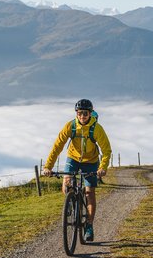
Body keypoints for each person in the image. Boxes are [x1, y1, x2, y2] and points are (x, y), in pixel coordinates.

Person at [42, 99, 112, 242]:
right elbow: (57, 146)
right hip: (73, 158)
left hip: (91, 161)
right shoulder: (71, 126)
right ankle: (70, 203)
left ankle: (89, 225)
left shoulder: (97, 129)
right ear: (76, 113)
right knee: (67, 182)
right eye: (79, 113)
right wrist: (48, 167)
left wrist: (102, 168)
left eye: (85, 113)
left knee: (89, 192)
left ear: (91, 114)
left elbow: (106, 150)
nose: (82, 116)